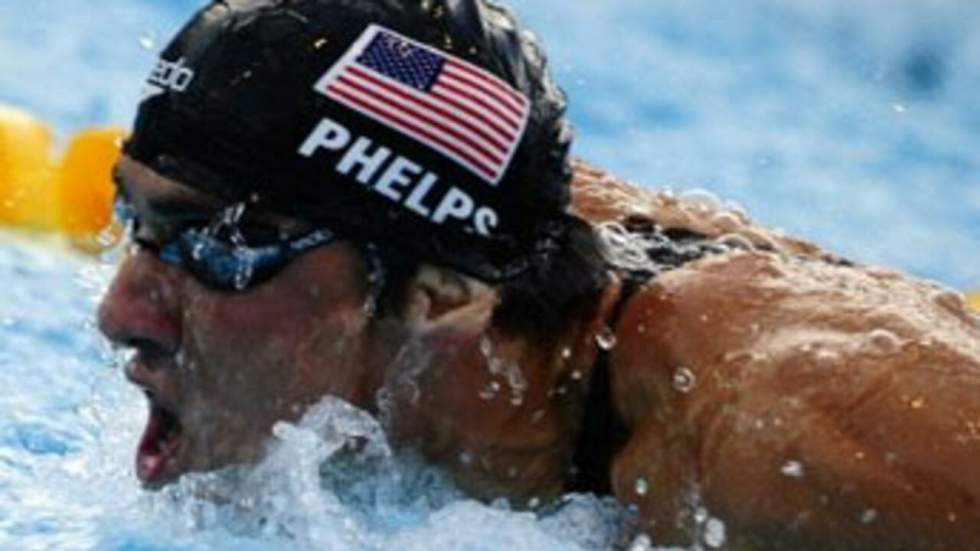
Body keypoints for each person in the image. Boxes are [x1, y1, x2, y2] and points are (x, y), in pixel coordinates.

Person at [97, 0, 980, 548]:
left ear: (440, 299)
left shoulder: (781, 445)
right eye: (135, 218)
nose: (119, 308)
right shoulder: (489, 236)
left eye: (223, 243)